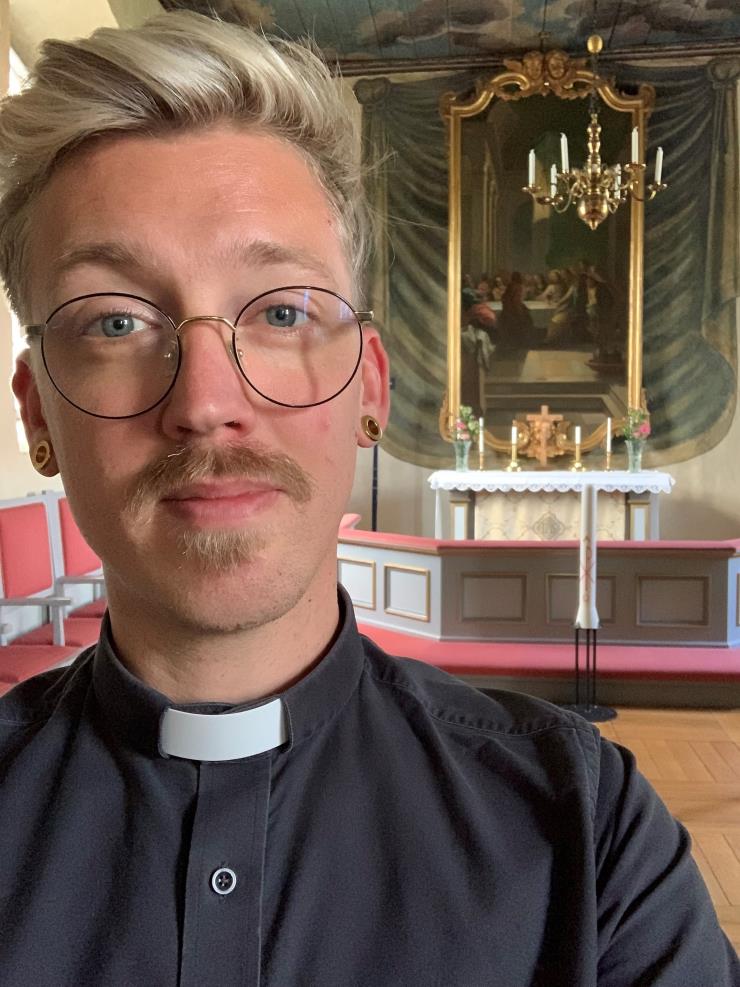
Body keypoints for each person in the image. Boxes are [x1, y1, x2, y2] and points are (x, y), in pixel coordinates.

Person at [0, 13, 737, 986]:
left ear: (371, 390)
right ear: (36, 412)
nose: (207, 403)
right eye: (116, 322)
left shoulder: (588, 828)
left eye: (282, 310)